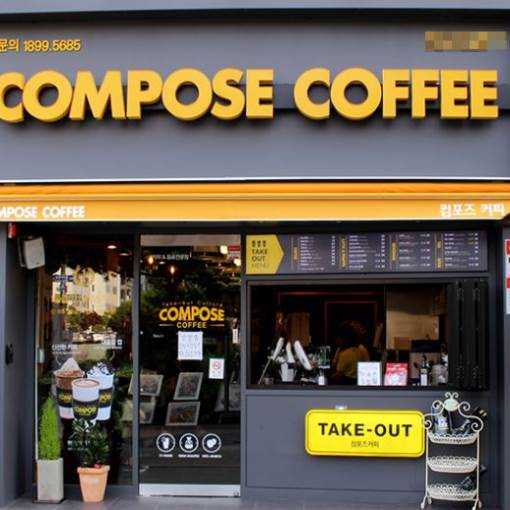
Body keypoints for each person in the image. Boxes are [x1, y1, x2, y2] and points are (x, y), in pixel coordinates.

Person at [330, 320, 370, 384]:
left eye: (337, 337)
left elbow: (338, 375)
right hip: (361, 383)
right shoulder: (361, 349)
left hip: (348, 385)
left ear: (342, 338)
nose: (336, 340)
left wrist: (326, 378)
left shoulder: (345, 353)